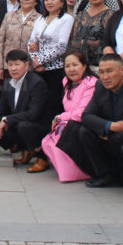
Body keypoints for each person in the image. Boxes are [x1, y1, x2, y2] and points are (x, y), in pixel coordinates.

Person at [65, 54, 123, 192]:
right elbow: (86, 116)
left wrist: (109, 135)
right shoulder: (100, 86)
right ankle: (108, 176)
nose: (105, 77)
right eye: (101, 72)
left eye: (110, 71)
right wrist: (110, 126)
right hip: (114, 134)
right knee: (83, 131)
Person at [0, 50, 52, 169]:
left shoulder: (36, 83)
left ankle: (42, 157)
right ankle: (23, 148)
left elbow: (33, 114)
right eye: (10, 65)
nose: (13, 69)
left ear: (26, 65)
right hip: (18, 124)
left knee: (23, 126)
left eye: (17, 64)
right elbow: (0, 112)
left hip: (38, 126)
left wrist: (7, 120)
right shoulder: (8, 83)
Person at [37, 51, 98, 180]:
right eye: (67, 66)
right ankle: (69, 171)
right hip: (69, 121)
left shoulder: (91, 83)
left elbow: (82, 113)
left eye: (75, 65)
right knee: (46, 142)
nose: (71, 69)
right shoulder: (66, 82)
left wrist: (61, 117)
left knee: (59, 140)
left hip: (84, 124)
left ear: (84, 66)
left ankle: (82, 172)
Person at [28, 0, 76, 116]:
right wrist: (35, 61)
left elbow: (62, 46)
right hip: (38, 69)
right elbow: (31, 43)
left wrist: (41, 60)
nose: (49, 2)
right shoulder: (40, 19)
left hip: (56, 69)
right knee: (38, 103)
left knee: (53, 104)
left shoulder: (66, 19)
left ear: (62, 1)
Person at [0, 0, 41, 79]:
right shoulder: (9, 16)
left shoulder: (40, 19)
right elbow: (0, 41)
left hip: (29, 67)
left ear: (36, 0)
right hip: (9, 67)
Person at [68, 0, 115, 68]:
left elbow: (109, 41)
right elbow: (72, 41)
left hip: (100, 64)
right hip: (79, 64)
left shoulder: (110, 14)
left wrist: (87, 42)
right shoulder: (81, 15)